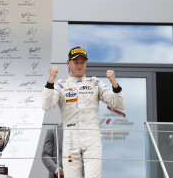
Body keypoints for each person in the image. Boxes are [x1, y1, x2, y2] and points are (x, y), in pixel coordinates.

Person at [42, 46, 126, 178]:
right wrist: (50, 81)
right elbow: (47, 106)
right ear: (68, 63)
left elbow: (119, 104)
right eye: (76, 62)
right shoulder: (60, 85)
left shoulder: (95, 83)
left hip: (91, 137)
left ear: (86, 63)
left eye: (82, 62)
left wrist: (114, 84)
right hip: (70, 138)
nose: (79, 65)